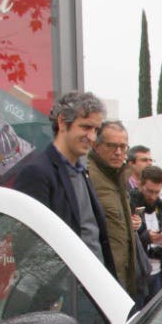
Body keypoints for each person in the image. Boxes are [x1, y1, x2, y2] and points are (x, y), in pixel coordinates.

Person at [14, 91, 114, 274]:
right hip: (66, 294)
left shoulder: (82, 172)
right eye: (85, 127)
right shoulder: (37, 173)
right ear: (62, 122)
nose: (92, 137)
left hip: (94, 289)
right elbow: (28, 248)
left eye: (96, 130)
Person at [88, 120, 147, 303]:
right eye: (112, 146)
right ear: (96, 146)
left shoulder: (119, 177)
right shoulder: (88, 177)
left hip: (124, 283)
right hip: (101, 286)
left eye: (123, 147)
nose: (118, 152)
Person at [130, 165, 162, 297]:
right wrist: (148, 237)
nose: (153, 196)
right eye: (150, 191)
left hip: (161, 273)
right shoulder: (130, 204)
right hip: (138, 274)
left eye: (157, 192)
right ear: (140, 185)